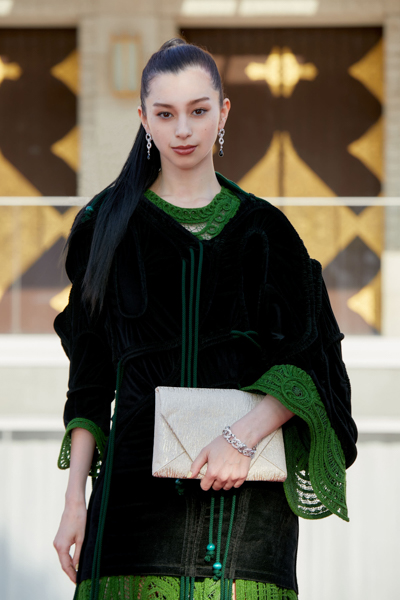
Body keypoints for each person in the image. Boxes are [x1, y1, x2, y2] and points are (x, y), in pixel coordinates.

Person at [53, 38, 358, 600]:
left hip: (249, 515)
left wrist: (241, 439)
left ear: (223, 112)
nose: (184, 130)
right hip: (130, 513)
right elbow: (90, 381)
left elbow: (312, 361)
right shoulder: (106, 226)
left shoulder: (267, 232)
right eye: (166, 114)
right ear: (144, 119)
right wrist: (75, 501)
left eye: (198, 110)